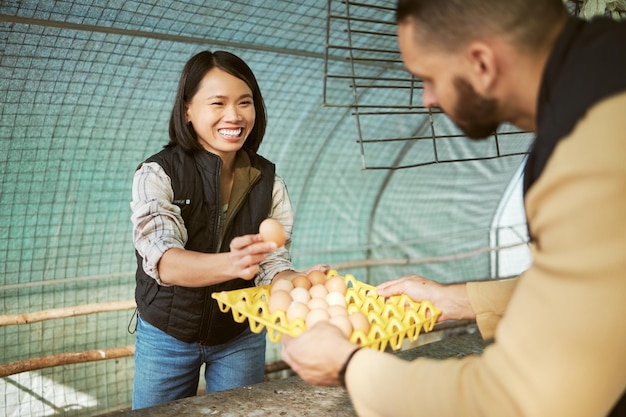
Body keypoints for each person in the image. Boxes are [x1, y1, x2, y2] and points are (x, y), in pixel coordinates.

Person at [280, 1, 626, 416]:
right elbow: (596, 288)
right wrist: (457, 300)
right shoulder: (606, 77)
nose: (427, 100)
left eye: (428, 77)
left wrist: (351, 365)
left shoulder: (592, 145)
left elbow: (520, 400)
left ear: (481, 62)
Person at [130, 50, 327, 410]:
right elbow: (164, 262)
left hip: (239, 335)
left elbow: (271, 263)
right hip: (167, 335)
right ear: (187, 110)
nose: (234, 116)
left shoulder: (269, 181)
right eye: (217, 103)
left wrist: (298, 282)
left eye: (244, 102)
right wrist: (233, 264)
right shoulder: (157, 174)